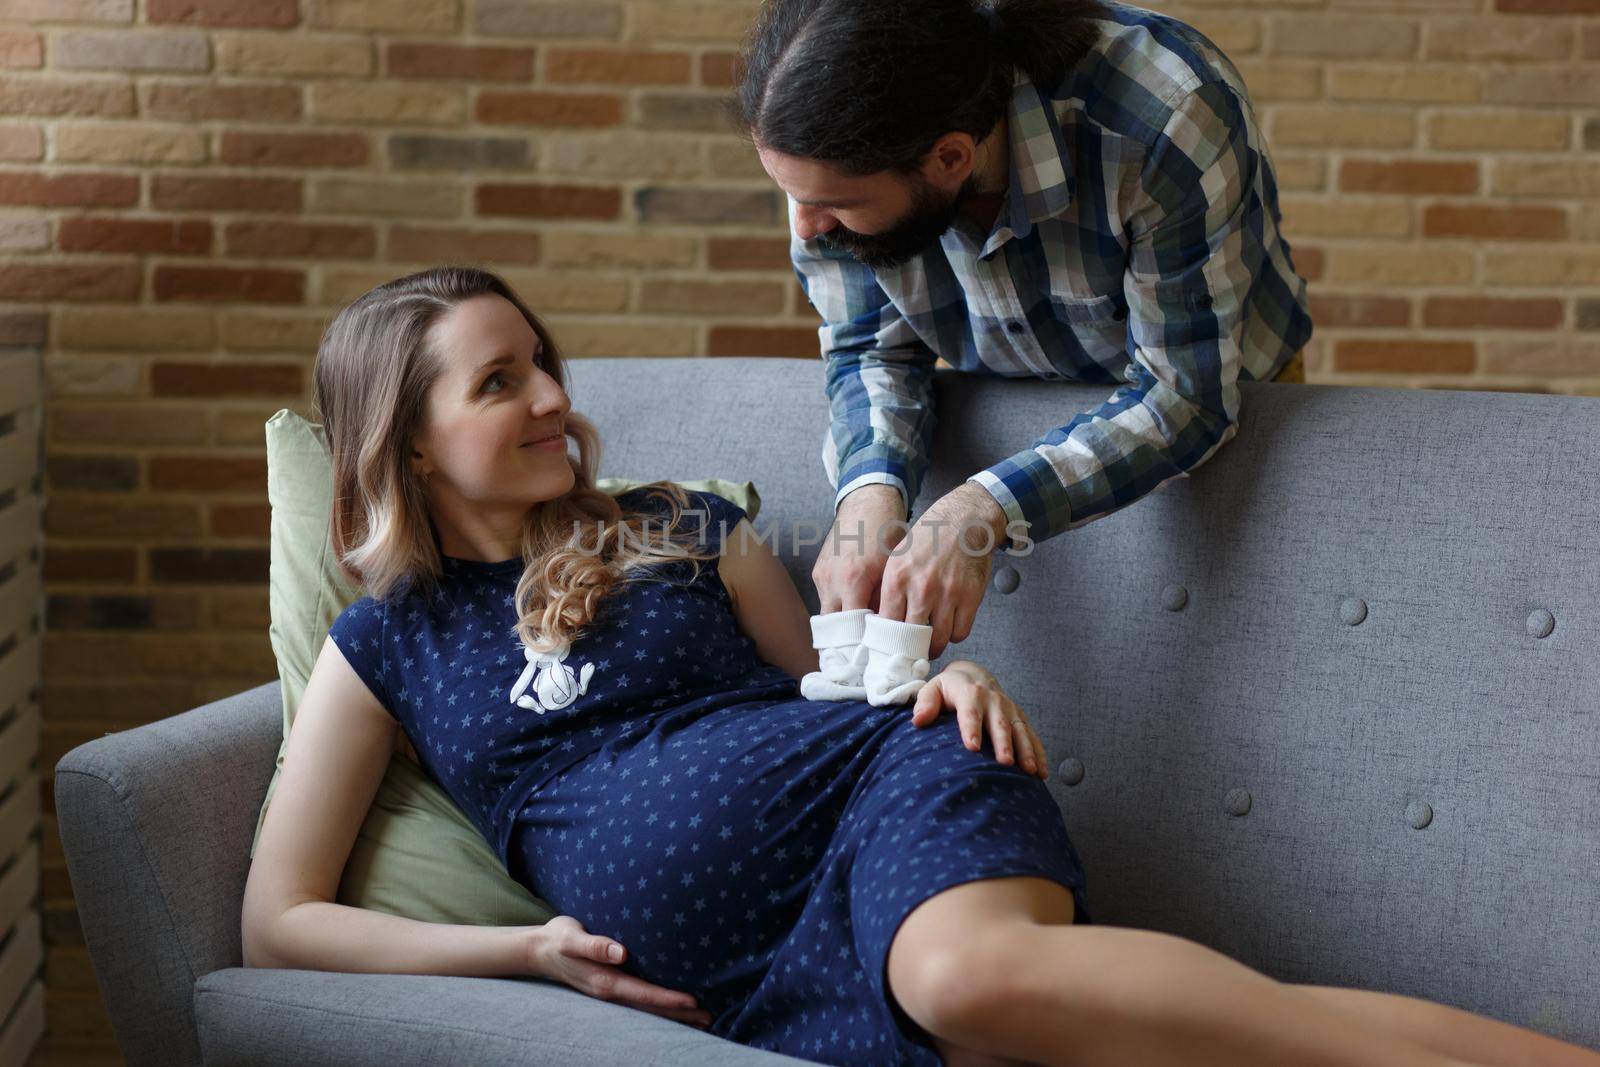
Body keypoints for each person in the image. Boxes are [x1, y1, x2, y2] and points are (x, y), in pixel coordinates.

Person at [241, 267, 1596, 1067]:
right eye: (496, 382)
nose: (550, 395)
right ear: (410, 442)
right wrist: (523, 950)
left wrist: (943, 681)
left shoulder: (675, 525)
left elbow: (844, 678)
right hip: (749, 958)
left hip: (884, 802)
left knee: (970, 980)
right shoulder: (385, 645)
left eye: (540, 361)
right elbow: (280, 919)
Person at [736, 0, 1315, 661]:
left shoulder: (1168, 113)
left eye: (835, 204)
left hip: (1223, 410)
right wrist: (868, 492)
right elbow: (871, 345)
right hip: (1010, 402)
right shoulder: (837, 159)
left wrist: (978, 511)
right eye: (793, 197)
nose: (805, 229)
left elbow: (1184, 399)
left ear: (949, 158)